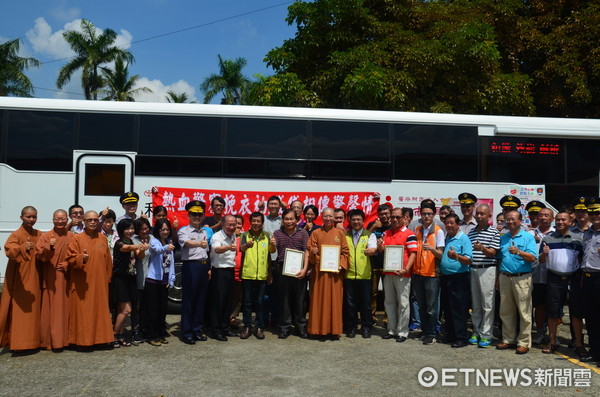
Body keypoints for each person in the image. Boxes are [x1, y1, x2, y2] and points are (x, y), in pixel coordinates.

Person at [539, 211, 591, 360]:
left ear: (570, 222)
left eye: (563, 220)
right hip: (554, 278)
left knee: (576, 312)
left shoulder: (578, 239)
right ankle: (553, 341)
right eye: (558, 220)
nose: (560, 222)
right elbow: (541, 260)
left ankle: (579, 344)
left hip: (573, 278)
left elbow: (582, 259)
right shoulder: (547, 238)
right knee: (552, 312)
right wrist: (544, 254)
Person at [65, 210, 114, 348]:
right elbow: (69, 259)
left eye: (94, 220)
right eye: (89, 220)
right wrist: (81, 258)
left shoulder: (102, 238)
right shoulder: (77, 238)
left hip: (100, 282)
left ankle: (101, 340)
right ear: (84, 222)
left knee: (100, 311)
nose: (92, 222)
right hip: (83, 282)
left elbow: (108, 261)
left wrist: (108, 278)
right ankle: (82, 341)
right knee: (83, 312)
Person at [0, 206, 42, 351]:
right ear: (21, 217)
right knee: (19, 311)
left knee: (35, 312)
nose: (31, 220)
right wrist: (23, 247)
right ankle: (18, 342)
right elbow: (9, 250)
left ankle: (33, 342)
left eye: (34, 217)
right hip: (20, 279)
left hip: (35, 276)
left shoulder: (39, 234)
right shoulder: (16, 235)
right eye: (28, 217)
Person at [496, 210, 537, 354]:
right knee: (506, 311)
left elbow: (533, 258)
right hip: (505, 276)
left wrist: (519, 252)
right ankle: (508, 339)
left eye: (513, 219)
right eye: (507, 219)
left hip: (522, 277)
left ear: (520, 221)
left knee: (524, 312)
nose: (510, 222)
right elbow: (500, 258)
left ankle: (524, 342)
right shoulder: (504, 237)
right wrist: (498, 278)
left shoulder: (527, 237)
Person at [306, 208, 349, 339]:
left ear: (334, 218)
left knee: (335, 301)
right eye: (326, 216)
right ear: (322, 217)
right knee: (318, 300)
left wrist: (340, 265)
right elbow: (311, 250)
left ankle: (334, 330)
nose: (328, 219)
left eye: (331, 216)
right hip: (320, 273)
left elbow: (345, 252)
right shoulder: (316, 233)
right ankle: (316, 329)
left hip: (335, 274)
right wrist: (315, 255)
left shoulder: (340, 233)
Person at [36, 209, 74, 350]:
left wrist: (67, 264)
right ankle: (49, 341)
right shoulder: (46, 236)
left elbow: (76, 255)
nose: (60, 221)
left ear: (67, 219)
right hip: (50, 279)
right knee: (50, 311)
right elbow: (40, 256)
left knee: (66, 310)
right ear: (52, 220)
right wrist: (49, 247)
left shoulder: (71, 236)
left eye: (62, 218)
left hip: (66, 279)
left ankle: (66, 340)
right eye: (57, 219)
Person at [378, 207, 417, 342]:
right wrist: (380, 246)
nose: (394, 219)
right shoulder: (386, 233)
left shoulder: (409, 233)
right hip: (388, 273)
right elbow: (383, 251)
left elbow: (413, 253)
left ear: (404, 218)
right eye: (392, 217)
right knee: (389, 302)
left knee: (403, 303)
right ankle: (392, 329)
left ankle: (402, 331)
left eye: (397, 217)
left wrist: (406, 269)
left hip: (402, 274)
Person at [178, 200, 212, 345]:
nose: (197, 217)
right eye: (194, 214)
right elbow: (186, 243)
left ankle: (197, 330)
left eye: (199, 214)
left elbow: (208, 251)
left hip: (204, 266)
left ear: (203, 216)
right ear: (189, 215)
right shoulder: (183, 231)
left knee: (201, 299)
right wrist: (199, 243)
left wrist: (209, 267)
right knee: (189, 300)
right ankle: (187, 332)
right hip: (191, 266)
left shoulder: (205, 231)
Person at [467, 204, 500, 348]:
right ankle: (476, 331)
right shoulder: (471, 233)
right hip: (473, 269)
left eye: (482, 214)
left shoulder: (494, 232)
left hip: (487, 270)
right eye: (477, 214)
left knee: (487, 304)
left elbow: (493, 253)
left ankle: (486, 334)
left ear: (489, 216)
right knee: (475, 304)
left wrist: (483, 249)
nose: (479, 216)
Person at [412, 202, 445, 345]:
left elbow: (441, 254)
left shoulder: (438, 231)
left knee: (431, 307)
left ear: (434, 215)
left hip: (431, 274)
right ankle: (424, 331)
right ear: (420, 214)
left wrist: (431, 248)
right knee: (421, 305)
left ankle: (431, 333)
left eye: (429, 214)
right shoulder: (418, 229)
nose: (427, 216)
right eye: (424, 214)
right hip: (417, 272)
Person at [239, 212, 276, 340]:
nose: (256, 223)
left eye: (258, 221)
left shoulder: (266, 235)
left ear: (262, 223)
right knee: (248, 303)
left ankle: (259, 327)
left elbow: (270, 254)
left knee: (260, 302)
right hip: (248, 274)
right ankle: (247, 326)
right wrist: (246, 245)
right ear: (250, 222)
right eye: (253, 221)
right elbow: (241, 249)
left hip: (262, 275)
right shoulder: (245, 235)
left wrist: (273, 245)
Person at [274, 209, 310, 339]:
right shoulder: (277, 233)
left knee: (300, 300)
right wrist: (272, 245)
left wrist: (305, 269)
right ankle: (285, 327)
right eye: (286, 219)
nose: (289, 221)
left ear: (296, 220)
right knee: (285, 299)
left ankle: (300, 326)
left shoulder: (303, 233)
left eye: (291, 219)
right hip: (283, 268)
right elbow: (273, 250)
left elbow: (307, 252)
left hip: (299, 269)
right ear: (282, 220)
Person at [439, 214, 473, 348]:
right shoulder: (447, 237)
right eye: (447, 223)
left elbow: (469, 259)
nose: (449, 225)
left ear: (458, 224)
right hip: (446, 277)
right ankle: (451, 334)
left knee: (459, 309)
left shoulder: (463, 238)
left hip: (459, 278)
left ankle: (461, 337)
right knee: (447, 308)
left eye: (452, 223)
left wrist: (456, 256)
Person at [112, 219, 147, 347]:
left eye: (132, 228)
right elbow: (126, 248)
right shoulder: (119, 243)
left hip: (131, 279)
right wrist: (139, 246)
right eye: (127, 229)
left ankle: (120, 335)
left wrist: (142, 248)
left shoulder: (132, 241)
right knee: (126, 310)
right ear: (121, 230)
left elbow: (140, 256)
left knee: (123, 310)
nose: (130, 231)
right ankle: (114, 335)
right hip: (120, 279)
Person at [344, 209, 377, 338]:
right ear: (349, 221)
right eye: (353, 220)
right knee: (350, 304)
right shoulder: (345, 235)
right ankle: (351, 327)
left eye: (358, 219)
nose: (356, 222)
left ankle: (366, 327)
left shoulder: (369, 235)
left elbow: (373, 249)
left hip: (365, 275)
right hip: (349, 275)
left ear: (363, 221)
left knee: (365, 304)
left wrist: (372, 251)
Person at [145, 218, 176, 346]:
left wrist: (171, 279)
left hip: (165, 280)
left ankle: (160, 333)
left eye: (167, 229)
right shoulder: (154, 241)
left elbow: (171, 263)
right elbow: (157, 250)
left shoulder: (169, 242)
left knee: (162, 309)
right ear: (157, 230)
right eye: (162, 229)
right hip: (153, 280)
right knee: (153, 309)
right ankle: (151, 335)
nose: (165, 231)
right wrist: (166, 247)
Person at [209, 215, 239, 341]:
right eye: (229, 225)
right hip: (219, 271)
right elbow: (216, 249)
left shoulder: (233, 235)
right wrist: (227, 247)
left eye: (234, 225)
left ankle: (225, 327)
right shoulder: (217, 236)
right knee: (218, 301)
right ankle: (216, 330)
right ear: (222, 224)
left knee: (228, 300)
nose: (232, 227)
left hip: (230, 270)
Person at [530, 207, 554, 345]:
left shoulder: (557, 233)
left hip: (552, 275)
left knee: (553, 307)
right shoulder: (529, 233)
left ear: (552, 219)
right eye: (541, 215)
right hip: (534, 275)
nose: (543, 218)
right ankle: (539, 331)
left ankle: (552, 335)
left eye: (547, 215)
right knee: (538, 305)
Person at [581, 197, 600, 364]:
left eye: (598, 212)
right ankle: (594, 352)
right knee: (591, 318)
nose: (596, 215)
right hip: (586, 278)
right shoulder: (587, 233)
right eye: (593, 212)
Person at [367, 204, 392, 324]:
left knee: (388, 292)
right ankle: (371, 317)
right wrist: (373, 227)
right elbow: (363, 238)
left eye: (387, 213)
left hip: (388, 264)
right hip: (373, 263)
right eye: (382, 214)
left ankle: (388, 318)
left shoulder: (393, 226)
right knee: (373, 292)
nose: (384, 216)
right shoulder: (373, 225)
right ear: (378, 215)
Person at [132, 217, 153, 344]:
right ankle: (136, 331)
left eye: (146, 228)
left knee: (148, 306)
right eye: (141, 229)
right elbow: (139, 256)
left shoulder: (153, 239)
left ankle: (146, 329)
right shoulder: (134, 240)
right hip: (139, 277)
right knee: (137, 306)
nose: (144, 231)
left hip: (152, 278)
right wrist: (142, 249)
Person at [230, 215, 245, 327]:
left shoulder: (245, 238)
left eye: (239, 223)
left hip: (241, 273)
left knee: (237, 297)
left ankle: (233, 317)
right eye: (234, 223)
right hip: (228, 272)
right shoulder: (226, 237)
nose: (237, 226)